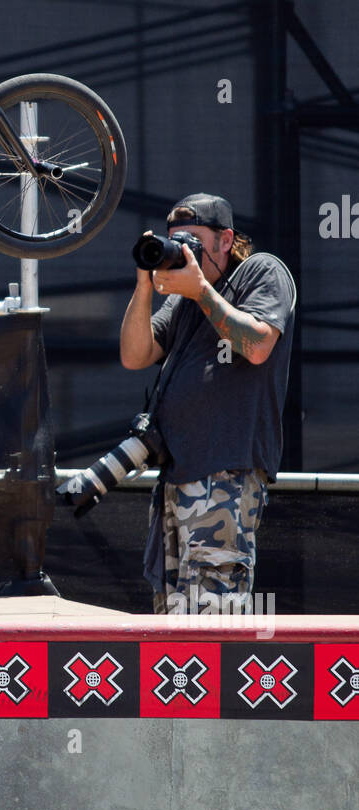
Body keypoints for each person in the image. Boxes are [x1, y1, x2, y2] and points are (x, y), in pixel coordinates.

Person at [119, 194, 296, 615]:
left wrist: (200, 290)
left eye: (193, 241)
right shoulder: (183, 301)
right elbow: (134, 355)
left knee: (212, 616)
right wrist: (145, 285)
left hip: (226, 474)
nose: (182, 251)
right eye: (174, 242)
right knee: (171, 619)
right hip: (176, 479)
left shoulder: (261, 272)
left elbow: (256, 345)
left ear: (224, 240)